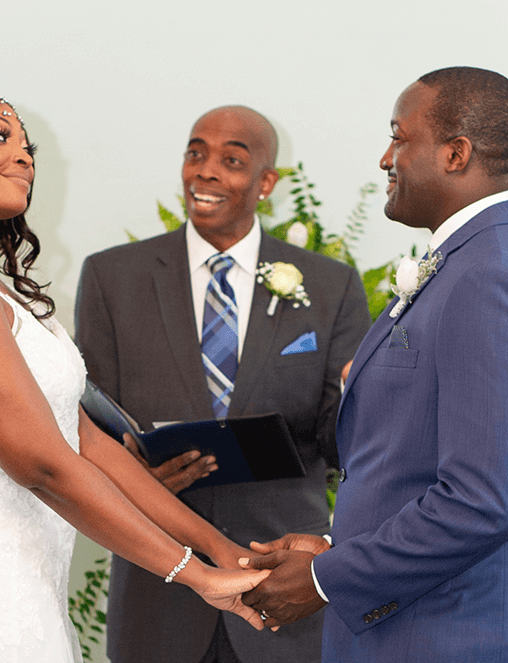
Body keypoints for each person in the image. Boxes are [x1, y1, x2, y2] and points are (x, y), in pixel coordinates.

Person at [0, 85, 270, 663]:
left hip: (18, 561)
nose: (25, 156)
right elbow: (41, 464)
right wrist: (192, 575)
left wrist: (219, 549)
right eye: (1, 137)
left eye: (26, 144)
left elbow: (81, 438)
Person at [241, 67, 508, 663]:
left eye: (399, 137)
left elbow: (481, 499)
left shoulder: (492, 274)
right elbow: (418, 463)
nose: (384, 158)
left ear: (456, 153)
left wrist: (327, 579)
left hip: (451, 636)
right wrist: (333, 545)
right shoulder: (487, 258)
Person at [75, 105, 371, 663]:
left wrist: (366, 399)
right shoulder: (112, 279)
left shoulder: (331, 286)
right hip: (160, 582)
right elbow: (86, 426)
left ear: (266, 183)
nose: (206, 171)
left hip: (281, 583)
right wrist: (135, 479)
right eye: (196, 153)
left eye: (231, 160)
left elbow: (342, 446)